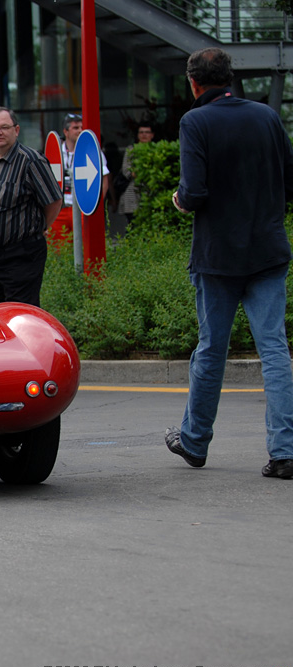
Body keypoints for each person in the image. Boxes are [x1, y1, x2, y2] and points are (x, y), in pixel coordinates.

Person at [164, 47, 293, 480]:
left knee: (211, 349)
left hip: (218, 257)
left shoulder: (195, 122)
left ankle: (195, 440)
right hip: (268, 251)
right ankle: (285, 451)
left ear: (194, 83)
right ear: (229, 78)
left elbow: (194, 192)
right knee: (274, 350)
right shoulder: (267, 117)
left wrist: (180, 200)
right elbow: (289, 181)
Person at [0, 106, 63, 307]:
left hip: (19, 257)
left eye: (4, 127)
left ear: (16, 130)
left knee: (19, 315)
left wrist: (41, 226)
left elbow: (54, 200)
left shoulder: (30, 161)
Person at [60, 113, 109, 214]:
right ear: (66, 131)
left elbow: (104, 181)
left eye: (82, 127)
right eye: (76, 128)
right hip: (61, 209)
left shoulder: (93, 151)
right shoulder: (57, 151)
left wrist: (94, 207)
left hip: (83, 210)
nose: (80, 130)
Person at [117, 123, 155, 220]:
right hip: (133, 194)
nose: (144, 135)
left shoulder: (156, 150)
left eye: (147, 132)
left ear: (152, 135)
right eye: (141, 132)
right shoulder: (131, 149)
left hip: (152, 193)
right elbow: (126, 170)